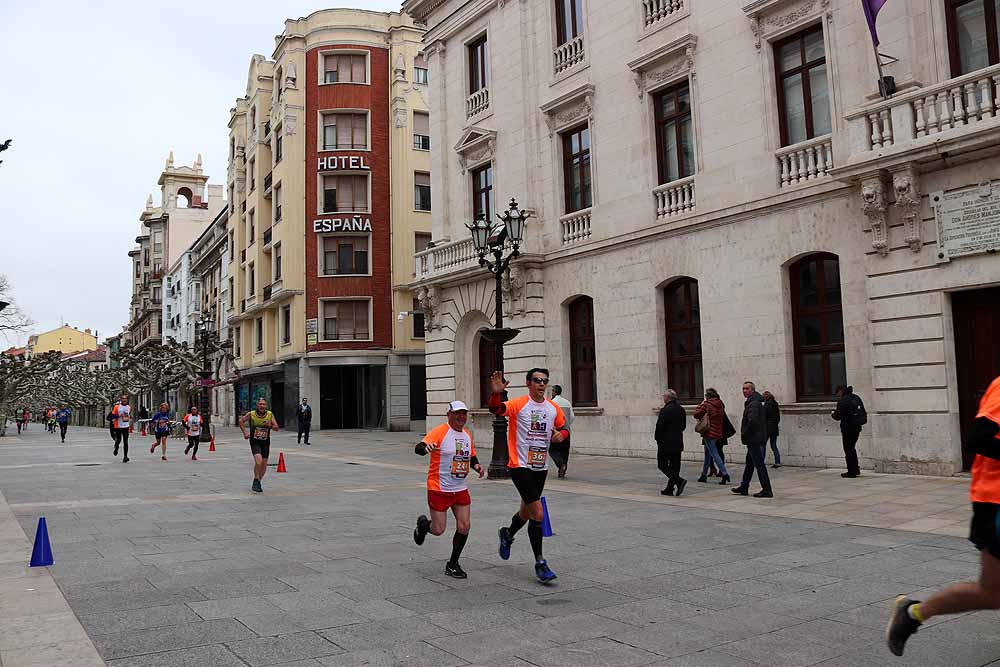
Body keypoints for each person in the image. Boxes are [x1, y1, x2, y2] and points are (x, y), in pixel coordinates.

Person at [886, 375, 1000, 657]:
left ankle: (912, 613)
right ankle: (913, 613)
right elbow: (977, 437)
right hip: (995, 502)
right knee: (991, 593)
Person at [490, 368, 568, 583]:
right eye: (537, 380)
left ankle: (507, 533)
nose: (541, 384)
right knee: (538, 514)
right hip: (519, 465)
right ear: (528, 383)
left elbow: (563, 427)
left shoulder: (553, 408)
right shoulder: (518, 404)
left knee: (526, 512)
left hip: (540, 466)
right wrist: (496, 392)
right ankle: (540, 563)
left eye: (544, 381)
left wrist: (562, 435)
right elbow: (496, 409)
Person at [413, 400, 485, 578]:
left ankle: (453, 563)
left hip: (460, 488)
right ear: (449, 415)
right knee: (438, 530)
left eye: (464, 414)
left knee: (464, 526)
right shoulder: (441, 431)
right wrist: (425, 448)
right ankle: (423, 526)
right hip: (439, 487)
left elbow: (471, 456)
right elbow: (419, 448)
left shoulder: (467, 435)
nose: (461, 417)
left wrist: (476, 466)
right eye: (457, 413)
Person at [732, 381, 774, 498]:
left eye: (747, 389)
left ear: (752, 390)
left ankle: (767, 489)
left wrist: (745, 432)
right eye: (743, 389)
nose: (744, 391)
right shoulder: (754, 402)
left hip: (754, 439)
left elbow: (753, 421)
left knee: (759, 465)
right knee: (750, 464)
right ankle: (744, 486)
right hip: (755, 438)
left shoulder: (754, 403)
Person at [240, 398, 280, 493]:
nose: (262, 406)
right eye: (260, 404)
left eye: (264, 404)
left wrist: (270, 425)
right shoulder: (251, 414)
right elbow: (241, 421)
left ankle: (257, 481)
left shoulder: (270, 415)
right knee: (259, 461)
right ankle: (256, 479)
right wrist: (245, 432)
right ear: (257, 405)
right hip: (255, 442)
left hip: (265, 442)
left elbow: (277, 428)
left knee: (264, 465)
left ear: (266, 406)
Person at [655, 389, 687, 496]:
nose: (663, 398)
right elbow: (683, 426)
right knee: (675, 466)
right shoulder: (681, 409)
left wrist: (658, 439)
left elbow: (660, 427)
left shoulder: (665, 410)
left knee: (662, 465)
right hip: (678, 441)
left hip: (665, 442)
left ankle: (679, 481)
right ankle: (670, 488)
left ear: (667, 398)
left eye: (664, 396)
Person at [694, 388, 730, 485]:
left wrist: (701, 405)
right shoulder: (720, 404)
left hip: (708, 432)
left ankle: (724, 473)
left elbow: (696, 414)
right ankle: (703, 475)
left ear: (708, 396)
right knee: (707, 454)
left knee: (714, 453)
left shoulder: (707, 404)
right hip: (718, 432)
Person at [832, 385, 866, 478]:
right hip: (857, 427)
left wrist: (833, 414)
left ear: (841, 391)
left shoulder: (843, 400)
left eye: (837, 393)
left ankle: (851, 471)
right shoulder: (856, 397)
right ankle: (855, 469)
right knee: (852, 448)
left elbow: (838, 416)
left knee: (848, 449)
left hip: (848, 428)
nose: (837, 395)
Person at [549, 385, 575, 478]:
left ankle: (560, 464)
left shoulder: (552, 402)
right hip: (566, 430)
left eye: (552, 390)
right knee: (565, 451)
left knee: (553, 449)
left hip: (556, 430)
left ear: (554, 392)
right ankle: (563, 469)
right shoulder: (567, 402)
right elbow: (572, 417)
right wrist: (567, 424)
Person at [108, 395, 131, 463]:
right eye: (123, 398)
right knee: (118, 440)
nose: (124, 400)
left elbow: (129, 414)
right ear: (121, 399)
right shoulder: (117, 407)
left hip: (126, 426)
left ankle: (125, 456)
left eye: (125, 399)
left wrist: (129, 416)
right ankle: (116, 447)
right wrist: (119, 416)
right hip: (118, 426)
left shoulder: (129, 407)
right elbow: (112, 415)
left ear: (127, 400)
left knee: (126, 442)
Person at [763, 390, 782, 468]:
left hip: (767, 428)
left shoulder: (766, 405)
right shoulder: (775, 404)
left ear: (765, 397)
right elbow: (778, 418)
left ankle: (761, 461)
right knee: (774, 445)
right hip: (774, 428)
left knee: (762, 445)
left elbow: (764, 417)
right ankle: (778, 462)